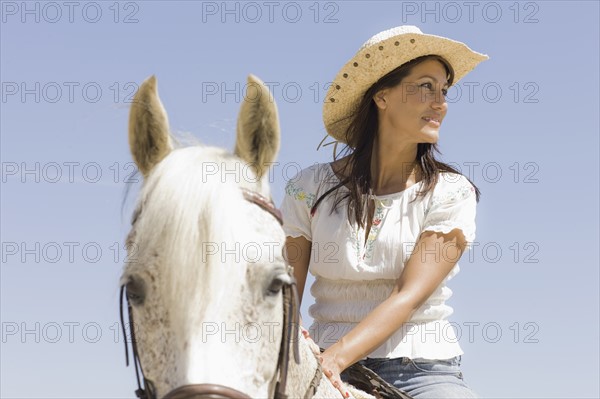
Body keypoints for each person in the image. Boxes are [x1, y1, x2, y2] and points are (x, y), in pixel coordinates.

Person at [280, 25, 488, 398]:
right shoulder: (307, 187)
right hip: (318, 362)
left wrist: (335, 360)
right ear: (382, 96)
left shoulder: (452, 192)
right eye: (425, 86)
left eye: (443, 90)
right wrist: (296, 363)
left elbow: (407, 296)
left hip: (421, 372)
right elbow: (285, 295)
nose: (440, 102)